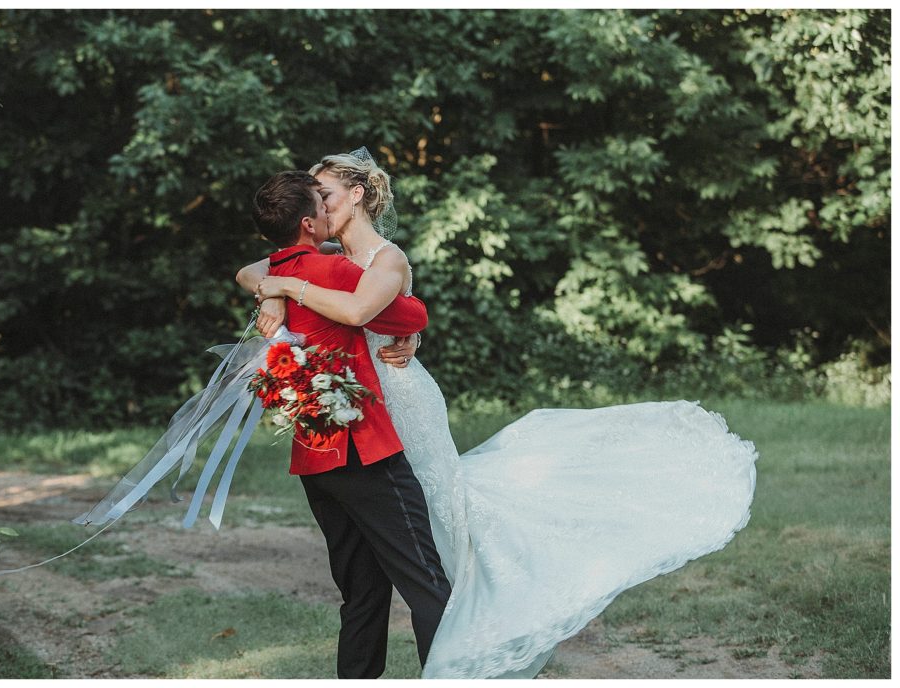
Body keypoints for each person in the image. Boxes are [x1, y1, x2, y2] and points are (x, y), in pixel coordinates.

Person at [236, 149, 758, 679]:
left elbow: (377, 310)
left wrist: (300, 292)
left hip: (395, 406)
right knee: (381, 576)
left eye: (324, 193)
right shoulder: (317, 257)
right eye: (314, 199)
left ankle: (466, 647)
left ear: (356, 195)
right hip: (356, 417)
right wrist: (272, 288)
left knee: (435, 549)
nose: (319, 204)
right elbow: (256, 269)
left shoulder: (382, 260)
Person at [247, 170, 451, 679]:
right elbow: (409, 316)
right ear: (309, 221)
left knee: (361, 593)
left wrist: (277, 288)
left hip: (315, 455)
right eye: (320, 199)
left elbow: (253, 272)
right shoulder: (333, 270)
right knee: (428, 584)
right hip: (363, 449)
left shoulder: (279, 268)